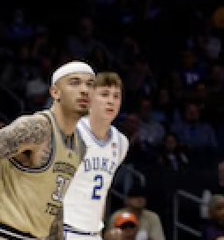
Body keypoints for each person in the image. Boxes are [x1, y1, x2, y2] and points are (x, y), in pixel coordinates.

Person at [0, 61, 94, 240]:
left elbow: (54, 204)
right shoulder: (36, 128)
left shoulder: (80, 146)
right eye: (75, 82)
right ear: (55, 92)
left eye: (90, 84)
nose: (84, 90)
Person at [64, 72, 130, 240]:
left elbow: (102, 191)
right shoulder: (71, 132)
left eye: (116, 96)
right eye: (104, 94)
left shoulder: (121, 143)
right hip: (63, 229)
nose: (111, 101)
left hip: (93, 233)